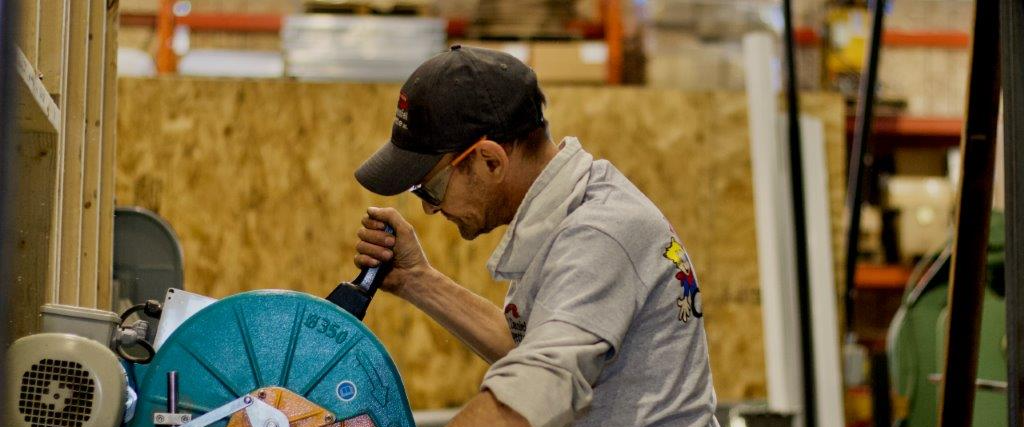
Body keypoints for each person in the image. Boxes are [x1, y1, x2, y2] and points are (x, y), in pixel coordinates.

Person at [353, 45, 719, 427]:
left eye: (430, 188)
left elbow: (539, 383)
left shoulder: (598, 234)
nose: (429, 207)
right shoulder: (567, 214)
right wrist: (417, 280)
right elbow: (532, 349)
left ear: (490, 160)